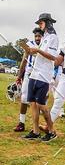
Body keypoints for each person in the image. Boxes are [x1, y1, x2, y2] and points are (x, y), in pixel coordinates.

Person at [23, 13, 59, 142]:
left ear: (48, 23)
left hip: (44, 76)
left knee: (42, 105)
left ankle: (51, 131)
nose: (39, 25)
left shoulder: (53, 38)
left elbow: (53, 57)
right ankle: (36, 131)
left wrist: (37, 51)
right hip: (34, 74)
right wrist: (32, 51)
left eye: (41, 23)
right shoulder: (44, 37)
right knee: (32, 103)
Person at [13, 27, 43, 132]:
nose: (37, 38)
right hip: (29, 74)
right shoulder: (30, 44)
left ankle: (36, 126)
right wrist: (19, 75)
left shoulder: (46, 45)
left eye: (39, 36)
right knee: (24, 99)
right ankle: (21, 123)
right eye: (36, 36)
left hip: (40, 75)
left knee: (38, 102)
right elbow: (24, 61)